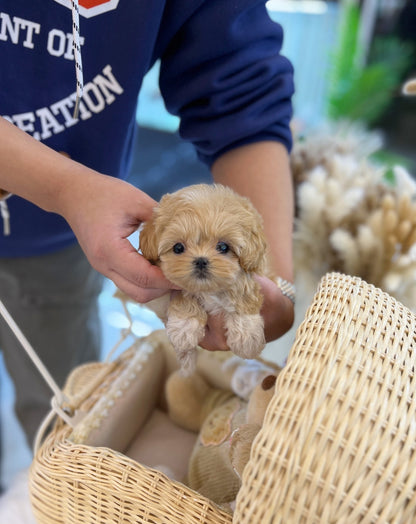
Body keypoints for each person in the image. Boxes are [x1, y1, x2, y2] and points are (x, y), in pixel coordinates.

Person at [0, 0, 295, 456]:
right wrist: (63, 188)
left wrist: (269, 281)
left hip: (59, 245)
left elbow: (238, 84)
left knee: (63, 409)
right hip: (68, 215)